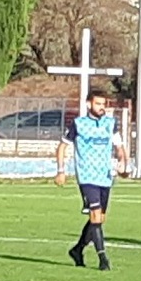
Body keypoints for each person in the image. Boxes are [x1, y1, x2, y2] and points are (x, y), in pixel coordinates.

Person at [55, 91, 129, 271]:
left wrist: (123, 163)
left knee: (99, 219)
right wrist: (61, 171)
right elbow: (62, 147)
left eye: (104, 104)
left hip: (105, 177)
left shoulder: (110, 124)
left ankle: (77, 249)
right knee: (95, 216)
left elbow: (119, 147)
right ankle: (103, 258)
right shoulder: (78, 124)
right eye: (98, 104)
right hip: (87, 177)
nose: (102, 107)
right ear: (89, 104)